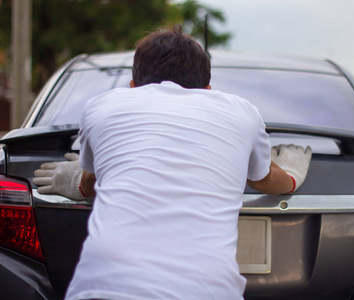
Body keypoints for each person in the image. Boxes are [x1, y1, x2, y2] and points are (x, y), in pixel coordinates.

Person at [33, 26, 312, 300]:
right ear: (207, 89)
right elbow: (262, 179)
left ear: (132, 87)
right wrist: (291, 177)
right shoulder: (242, 112)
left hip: (105, 290)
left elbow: (92, 180)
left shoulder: (100, 106)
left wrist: (74, 182)